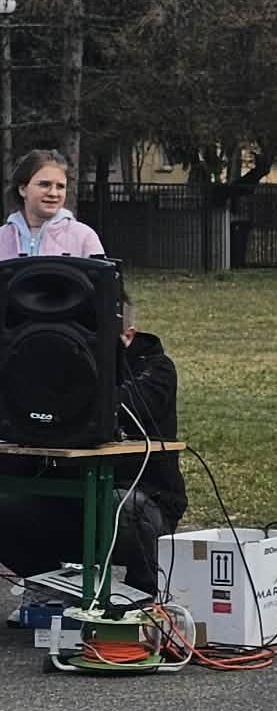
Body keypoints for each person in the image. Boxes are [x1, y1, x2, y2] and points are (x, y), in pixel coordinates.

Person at [0, 284, 184, 591]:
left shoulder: (156, 368)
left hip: (142, 500)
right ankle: (53, 588)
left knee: (128, 508)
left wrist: (61, 398)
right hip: (64, 502)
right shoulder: (48, 363)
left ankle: (144, 600)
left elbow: (125, 406)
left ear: (127, 336)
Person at [0, 150, 104, 259]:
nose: (53, 193)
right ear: (23, 189)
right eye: (44, 184)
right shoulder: (2, 238)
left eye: (60, 186)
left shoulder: (84, 237)